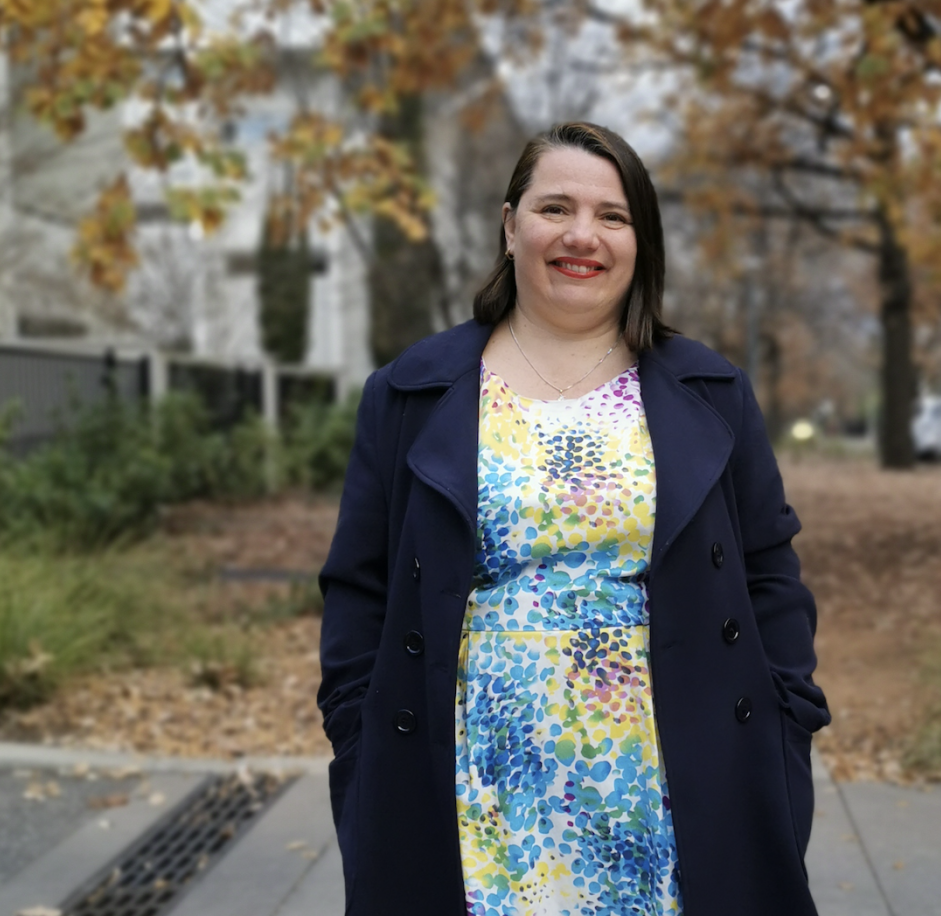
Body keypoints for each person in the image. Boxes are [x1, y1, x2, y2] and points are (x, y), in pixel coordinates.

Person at [317, 121, 829, 916]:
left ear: (639, 241)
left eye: (612, 216)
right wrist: (359, 736)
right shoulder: (411, 393)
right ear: (510, 224)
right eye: (555, 208)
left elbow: (770, 572)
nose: (581, 235)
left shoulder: (711, 393)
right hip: (468, 789)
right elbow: (359, 586)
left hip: (672, 788)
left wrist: (786, 727)